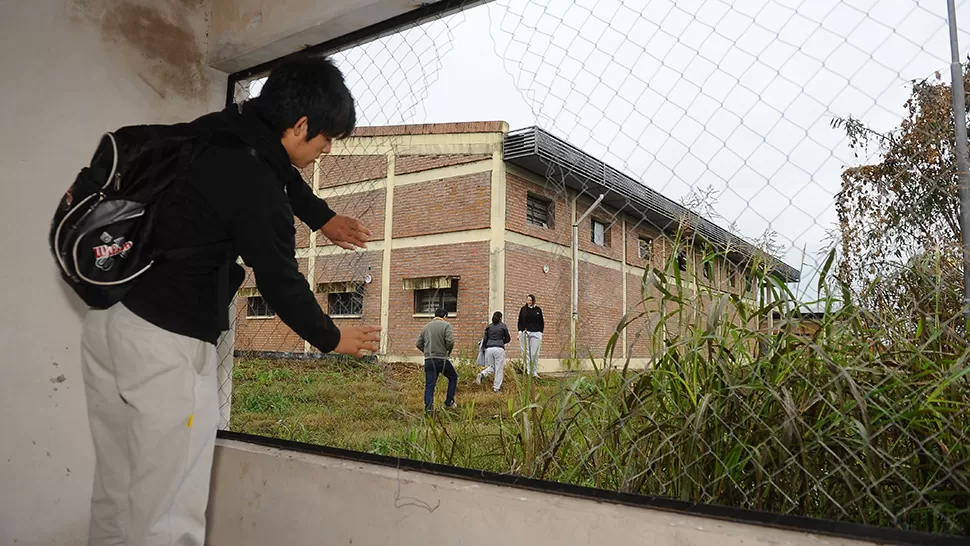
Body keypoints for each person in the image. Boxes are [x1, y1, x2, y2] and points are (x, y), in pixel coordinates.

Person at [78, 54, 381, 546]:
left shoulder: (220, 130)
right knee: (169, 511)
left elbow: (283, 172)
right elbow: (280, 279)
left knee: (117, 491)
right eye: (325, 141)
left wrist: (321, 217)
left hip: (109, 325)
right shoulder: (256, 180)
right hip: (164, 345)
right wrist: (330, 337)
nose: (324, 152)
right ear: (301, 124)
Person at [416, 307, 458, 413]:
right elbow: (450, 341)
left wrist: (427, 352)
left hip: (429, 360)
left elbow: (418, 344)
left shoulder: (426, 327)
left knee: (430, 385)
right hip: (441, 359)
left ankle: (429, 409)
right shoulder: (446, 325)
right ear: (444, 316)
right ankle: (449, 401)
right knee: (453, 377)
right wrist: (448, 351)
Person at [476, 311, 511, 392]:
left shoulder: (489, 327)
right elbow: (508, 339)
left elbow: (485, 339)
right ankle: (496, 388)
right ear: (500, 318)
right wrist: (501, 342)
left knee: (492, 367)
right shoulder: (503, 326)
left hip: (489, 349)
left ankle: (483, 374)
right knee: (499, 369)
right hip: (499, 349)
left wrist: (483, 347)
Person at [517, 294, 544, 377]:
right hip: (525, 332)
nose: (528, 302)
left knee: (534, 354)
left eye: (530, 300)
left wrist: (540, 332)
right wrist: (520, 332)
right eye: (527, 300)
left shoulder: (538, 310)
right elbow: (520, 321)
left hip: (536, 333)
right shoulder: (523, 309)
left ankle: (534, 371)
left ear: (533, 301)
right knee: (526, 354)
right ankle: (529, 372)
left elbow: (541, 322)